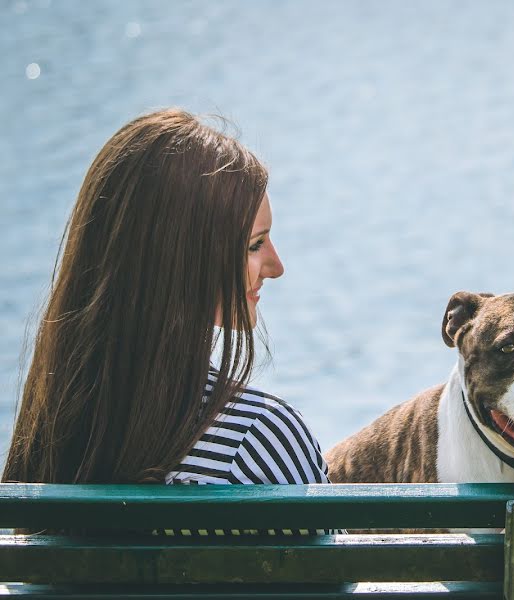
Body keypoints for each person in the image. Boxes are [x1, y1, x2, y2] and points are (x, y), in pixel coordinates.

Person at [2, 110, 331, 502]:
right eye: (255, 245)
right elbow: (340, 564)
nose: (276, 267)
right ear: (185, 260)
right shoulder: (255, 442)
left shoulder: (53, 437)